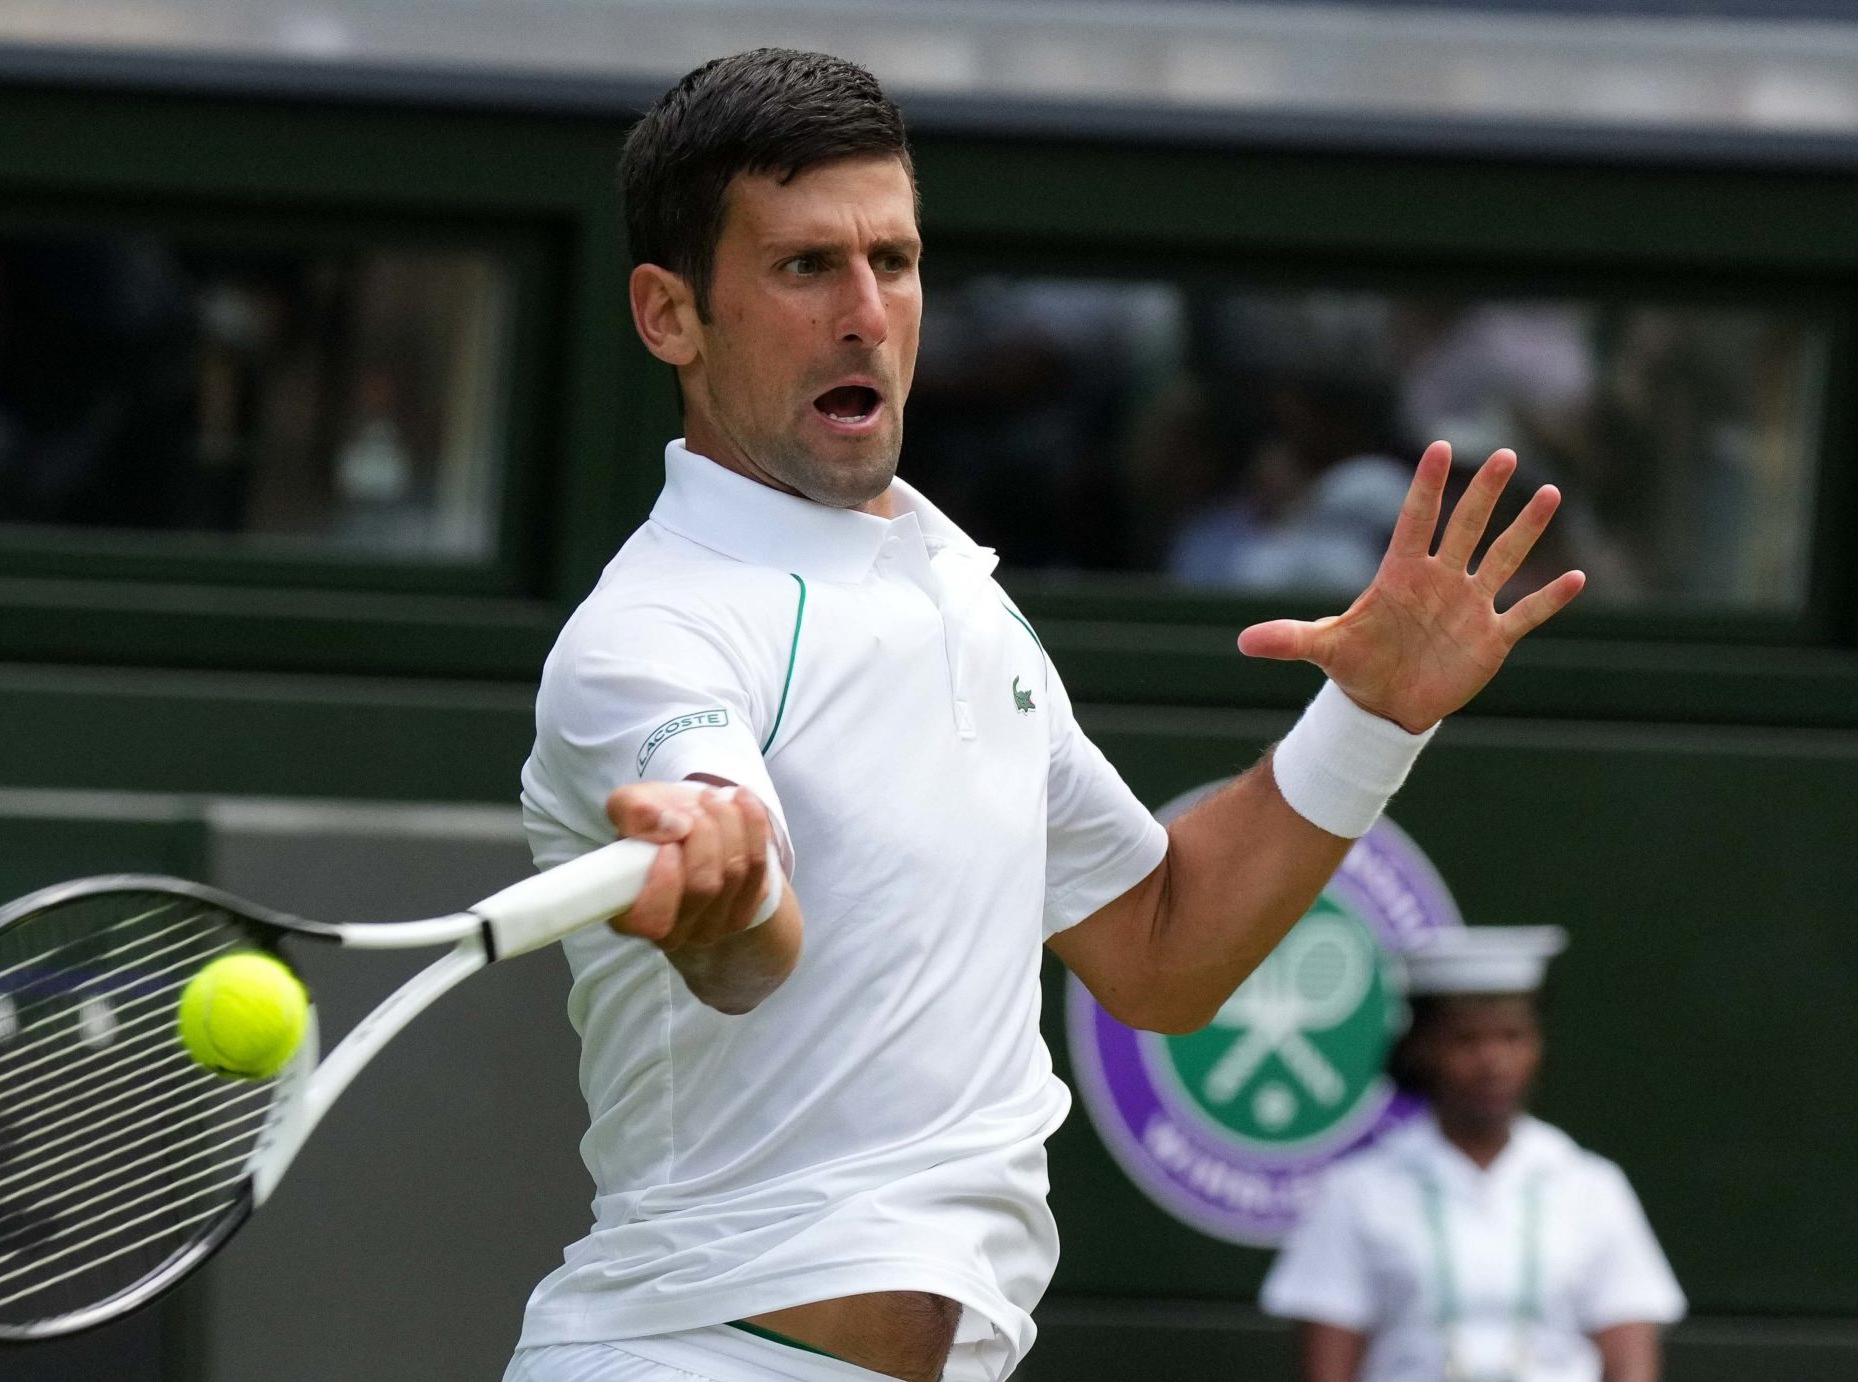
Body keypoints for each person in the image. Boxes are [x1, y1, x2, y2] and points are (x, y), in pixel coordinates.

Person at [508, 48, 1586, 1382]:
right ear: (670, 315)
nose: (865, 313)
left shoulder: (957, 593)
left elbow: (1158, 949)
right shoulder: (650, 637)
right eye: (803, 268)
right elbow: (745, 944)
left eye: (891, 262)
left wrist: (1370, 717)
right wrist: (726, 889)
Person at [1261, 928, 1685, 1382]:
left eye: (1512, 1037)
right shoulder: (1358, 1191)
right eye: (1466, 1040)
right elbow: (1328, 1363)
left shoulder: (1591, 1187)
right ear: (1422, 1048)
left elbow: (1631, 1355)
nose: (1493, 1061)